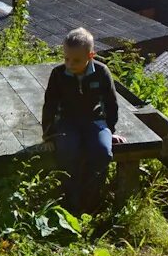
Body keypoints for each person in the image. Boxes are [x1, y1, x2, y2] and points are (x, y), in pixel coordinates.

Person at [40, 27, 118, 214]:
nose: (69, 64)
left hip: (94, 121)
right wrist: (48, 135)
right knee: (67, 151)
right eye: (66, 58)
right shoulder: (58, 74)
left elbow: (111, 103)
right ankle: (70, 201)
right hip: (67, 122)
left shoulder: (101, 72)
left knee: (103, 152)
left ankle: (91, 199)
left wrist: (111, 130)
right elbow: (49, 105)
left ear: (91, 55)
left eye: (76, 60)